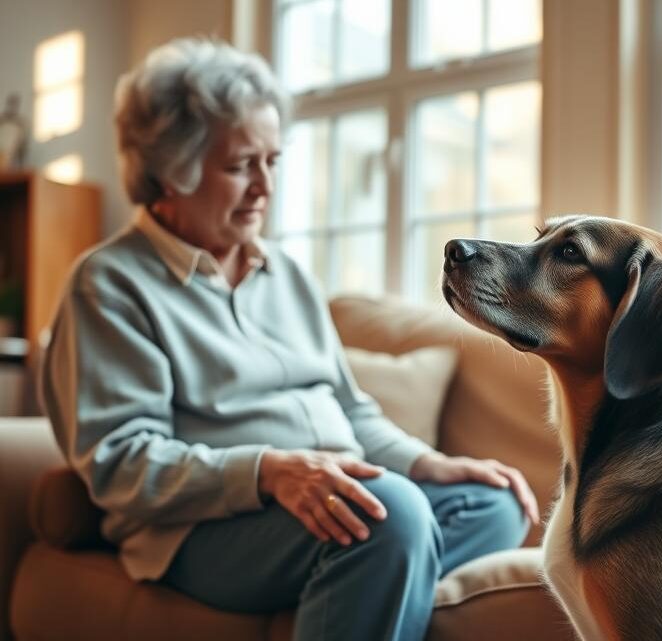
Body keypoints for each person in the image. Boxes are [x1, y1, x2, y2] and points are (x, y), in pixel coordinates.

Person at [41, 38, 538, 641]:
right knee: (391, 519)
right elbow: (123, 463)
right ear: (173, 169)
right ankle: (371, 569)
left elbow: (350, 409)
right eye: (240, 165)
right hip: (203, 527)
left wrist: (429, 462)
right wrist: (268, 471)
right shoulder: (110, 284)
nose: (264, 187)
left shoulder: (288, 275)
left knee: (496, 504)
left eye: (273, 161)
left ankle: (359, 585)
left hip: (325, 497)